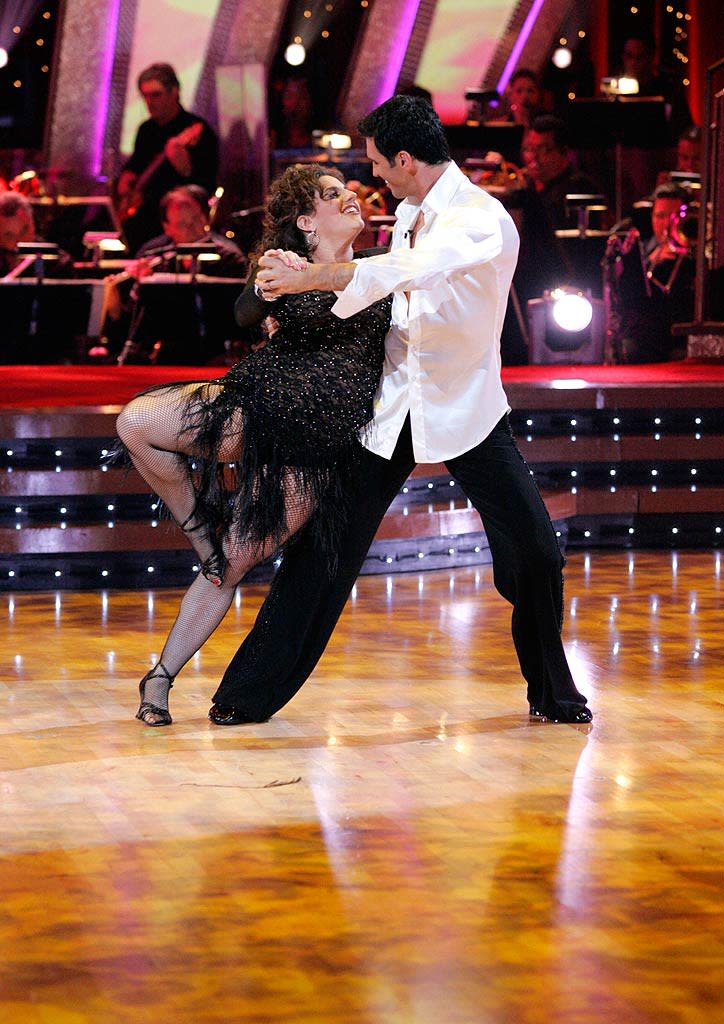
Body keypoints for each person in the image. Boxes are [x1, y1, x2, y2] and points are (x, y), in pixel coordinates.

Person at [208, 94, 592, 727]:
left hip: (464, 407)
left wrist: (310, 279)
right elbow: (375, 287)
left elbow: (410, 270)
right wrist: (290, 276)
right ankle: (245, 697)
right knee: (325, 548)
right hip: (392, 407)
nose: (374, 178)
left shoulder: (480, 217)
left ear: (407, 159)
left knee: (535, 553)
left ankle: (553, 694)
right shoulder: (410, 209)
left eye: (380, 164)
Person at [115, 164, 390, 725]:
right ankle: (199, 532)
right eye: (334, 195)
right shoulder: (285, 265)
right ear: (308, 222)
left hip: (316, 450)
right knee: (136, 423)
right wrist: (270, 279)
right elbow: (244, 311)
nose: (352, 197)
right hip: (256, 406)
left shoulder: (383, 269)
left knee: (232, 566)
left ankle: (160, 676)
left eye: (349, 190)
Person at [102, 184, 247, 364]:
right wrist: (123, 298)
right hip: (163, 356)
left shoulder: (228, 257)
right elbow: (130, 327)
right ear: (167, 227)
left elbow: (237, 317)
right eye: (181, 224)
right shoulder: (154, 255)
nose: (191, 229)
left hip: (215, 354)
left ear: (204, 217)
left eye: (195, 220)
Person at [115, 63, 219, 255]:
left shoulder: (198, 130)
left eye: (156, 95)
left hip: (177, 223)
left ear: (174, 92)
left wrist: (185, 168)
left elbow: (206, 185)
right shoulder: (146, 130)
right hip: (143, 219)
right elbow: (136, 164)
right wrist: (127, 176)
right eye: (145, 96)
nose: (149, 102)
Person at [616, 182, 694, 363]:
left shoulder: (698, 253)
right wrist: (651, 261)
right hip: (648, 338)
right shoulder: (642, 250)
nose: (666, 224)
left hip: (681, 338)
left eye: (674, 217)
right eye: (660, 216)